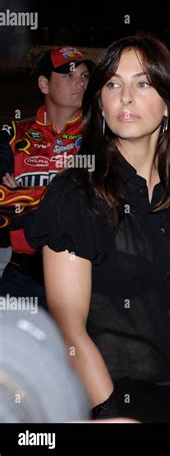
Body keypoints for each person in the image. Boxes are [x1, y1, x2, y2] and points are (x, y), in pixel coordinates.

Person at [24, 34, 170, 423]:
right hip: (109, 398)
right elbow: (69, 328)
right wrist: (108, 411)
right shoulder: (76, 194)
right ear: (100, 105)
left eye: (142, 83)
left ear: (169, 104)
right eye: (112, 84)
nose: (125, 96)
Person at [0, 46, 94, 308]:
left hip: (85, 273)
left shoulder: (100, 137)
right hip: (23, 276)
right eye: (69, 75)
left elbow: (100, 202)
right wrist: (66, 193)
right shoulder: (13, 134)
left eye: (85, 76)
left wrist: (20, 194)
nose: (81, 82)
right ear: (44, 84)